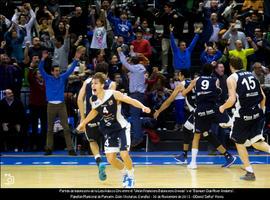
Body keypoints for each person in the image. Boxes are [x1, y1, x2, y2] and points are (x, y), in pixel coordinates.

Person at [77, 72, 151, 188]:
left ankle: (131, 176)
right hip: (109, 130)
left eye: (95, 83)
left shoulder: (113, 94)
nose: (93, 86)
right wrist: (83, 123)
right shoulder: (93, 99)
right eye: (92, 83)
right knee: (111, 159)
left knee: (124, 154)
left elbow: (130, 100)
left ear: (102, 85)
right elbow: (94, 111)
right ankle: (125, 173)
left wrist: (143, 107)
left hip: (121, 128)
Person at [219, 57, 270, 181]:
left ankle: (250, 172)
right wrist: (261, 111)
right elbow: (263, 97)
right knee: (257, 143)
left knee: (239, 142)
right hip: (257, 113)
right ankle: (249, 170)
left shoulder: (232, 78)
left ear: (231, 66)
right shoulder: (252, 76)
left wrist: (222, 107)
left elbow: (231, 100)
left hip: (243, 115)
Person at [179, 64, 236, 169]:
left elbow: (183, 94)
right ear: (211, 72)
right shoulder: (215, 80)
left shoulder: (196, 80)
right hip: (213, 109)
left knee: (197, 135)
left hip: (200, 110)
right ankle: (228, 155)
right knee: (208, 133)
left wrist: (194, 91)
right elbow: (219, 92)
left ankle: (193, 163)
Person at [39, 49, 82, 156]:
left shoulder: (62, 77)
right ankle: (49, 148)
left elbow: (70, 70)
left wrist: (76, 60)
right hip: (51, 105)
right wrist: (43, 59)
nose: (58, 72)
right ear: (52, 71)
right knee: (49, 128)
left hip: (61, 105)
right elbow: (40, 68)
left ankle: (70, 149)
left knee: (66, 127)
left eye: (58, 70)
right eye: (56, 70)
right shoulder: (47, 77)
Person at [77, 62, 116, 181]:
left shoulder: (88, 82)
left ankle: (99, 160)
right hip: (105, 117)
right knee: (110, 144)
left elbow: (79, 99)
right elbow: (113, 101)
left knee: (92, 141)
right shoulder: (111, 83)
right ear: (107, 73)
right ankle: (121, 166)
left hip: (91, 116)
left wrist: (83, 119)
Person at [154, 70, 195, 163]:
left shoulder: (181, 85)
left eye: (179, 75)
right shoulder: (195, 82)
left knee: (206, 135)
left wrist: (159, 111)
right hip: (198, 109)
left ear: (181, 75)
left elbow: (169, 100)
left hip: (197, 112)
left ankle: (227, 155)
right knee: (186, 129)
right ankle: (184, 155)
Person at [117, 47, 147, 147]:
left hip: (136, 95)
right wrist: (131, 50)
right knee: (135, 116)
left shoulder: (135, 68)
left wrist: (120, 52)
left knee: (135, 117)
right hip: (139, 95)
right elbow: (134, 58)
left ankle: (138, 137)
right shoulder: (140, 68)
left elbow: (124, 62)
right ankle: (137, 136)